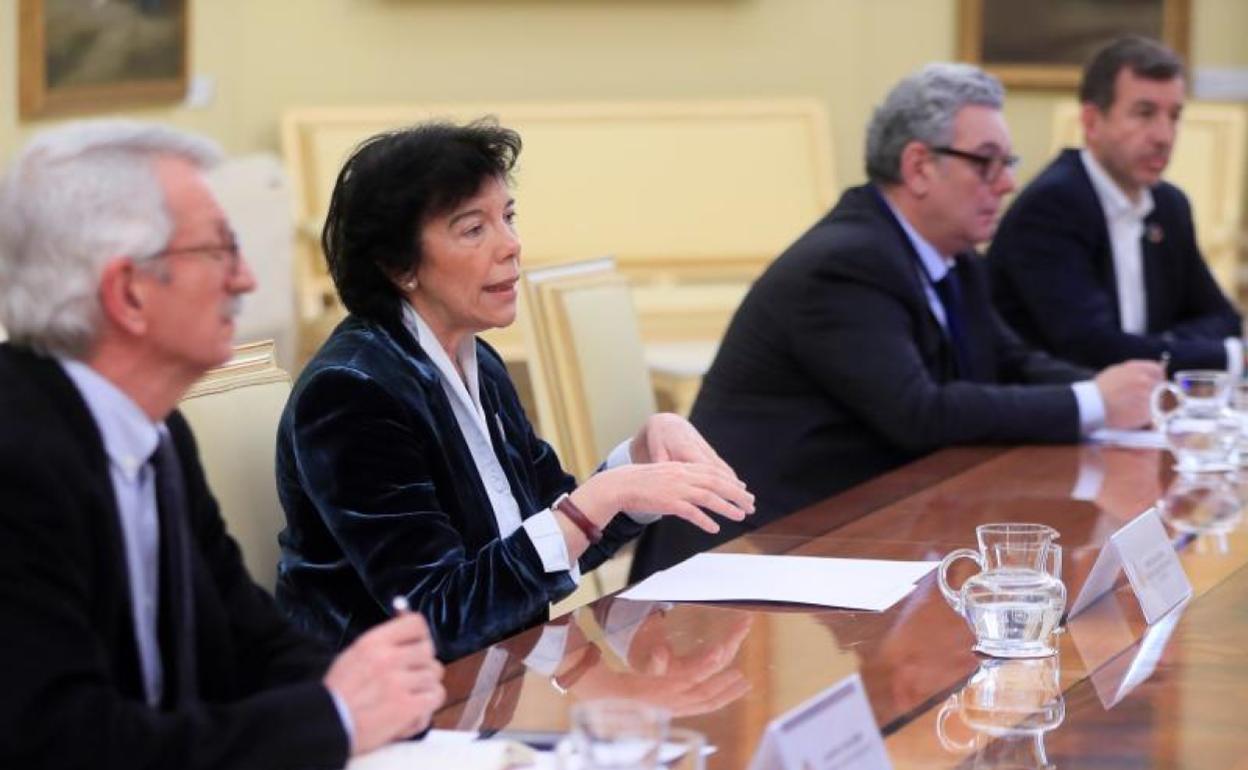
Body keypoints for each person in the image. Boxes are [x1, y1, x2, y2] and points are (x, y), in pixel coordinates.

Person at [0, 120, 445, 768]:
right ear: (129, 293)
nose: (245, 282)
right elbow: (69, 744)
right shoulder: (16, 466)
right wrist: (337, 715)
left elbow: (249, 640)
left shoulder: (156, 432)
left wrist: (375, 693)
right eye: (219, 251)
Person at [630, 63, 1162, 582]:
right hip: (746, 553)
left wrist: (1115, 396)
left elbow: (1010, 363)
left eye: (1009, 162)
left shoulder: (952, 258)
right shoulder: (846, 263)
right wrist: (1092, 401)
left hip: (856, 532)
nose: (1007, 184)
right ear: (919, 166)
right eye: (987, 162)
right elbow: (918, 412)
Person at [275, 121, 755, 662]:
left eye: (508, 217)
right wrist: (602, 499)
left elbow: (549, 538)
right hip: (391, 707)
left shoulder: (474, 358)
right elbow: (438, 618)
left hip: (496, 679)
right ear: (398, 265)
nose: (511, 246)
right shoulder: (352, 393)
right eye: (472, 229)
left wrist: (637, 460)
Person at [989, 36, 1242, 373]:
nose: (1164, 136)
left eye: (1174, 115)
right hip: (1054, 415)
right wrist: (1227, 356)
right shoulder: (1052, 206)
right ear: (1092, 122)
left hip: (1143, 408)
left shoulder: (1169, 205)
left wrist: (1160, 345)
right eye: (1145, 113)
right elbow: (1093, 348)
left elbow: (1222, 318)